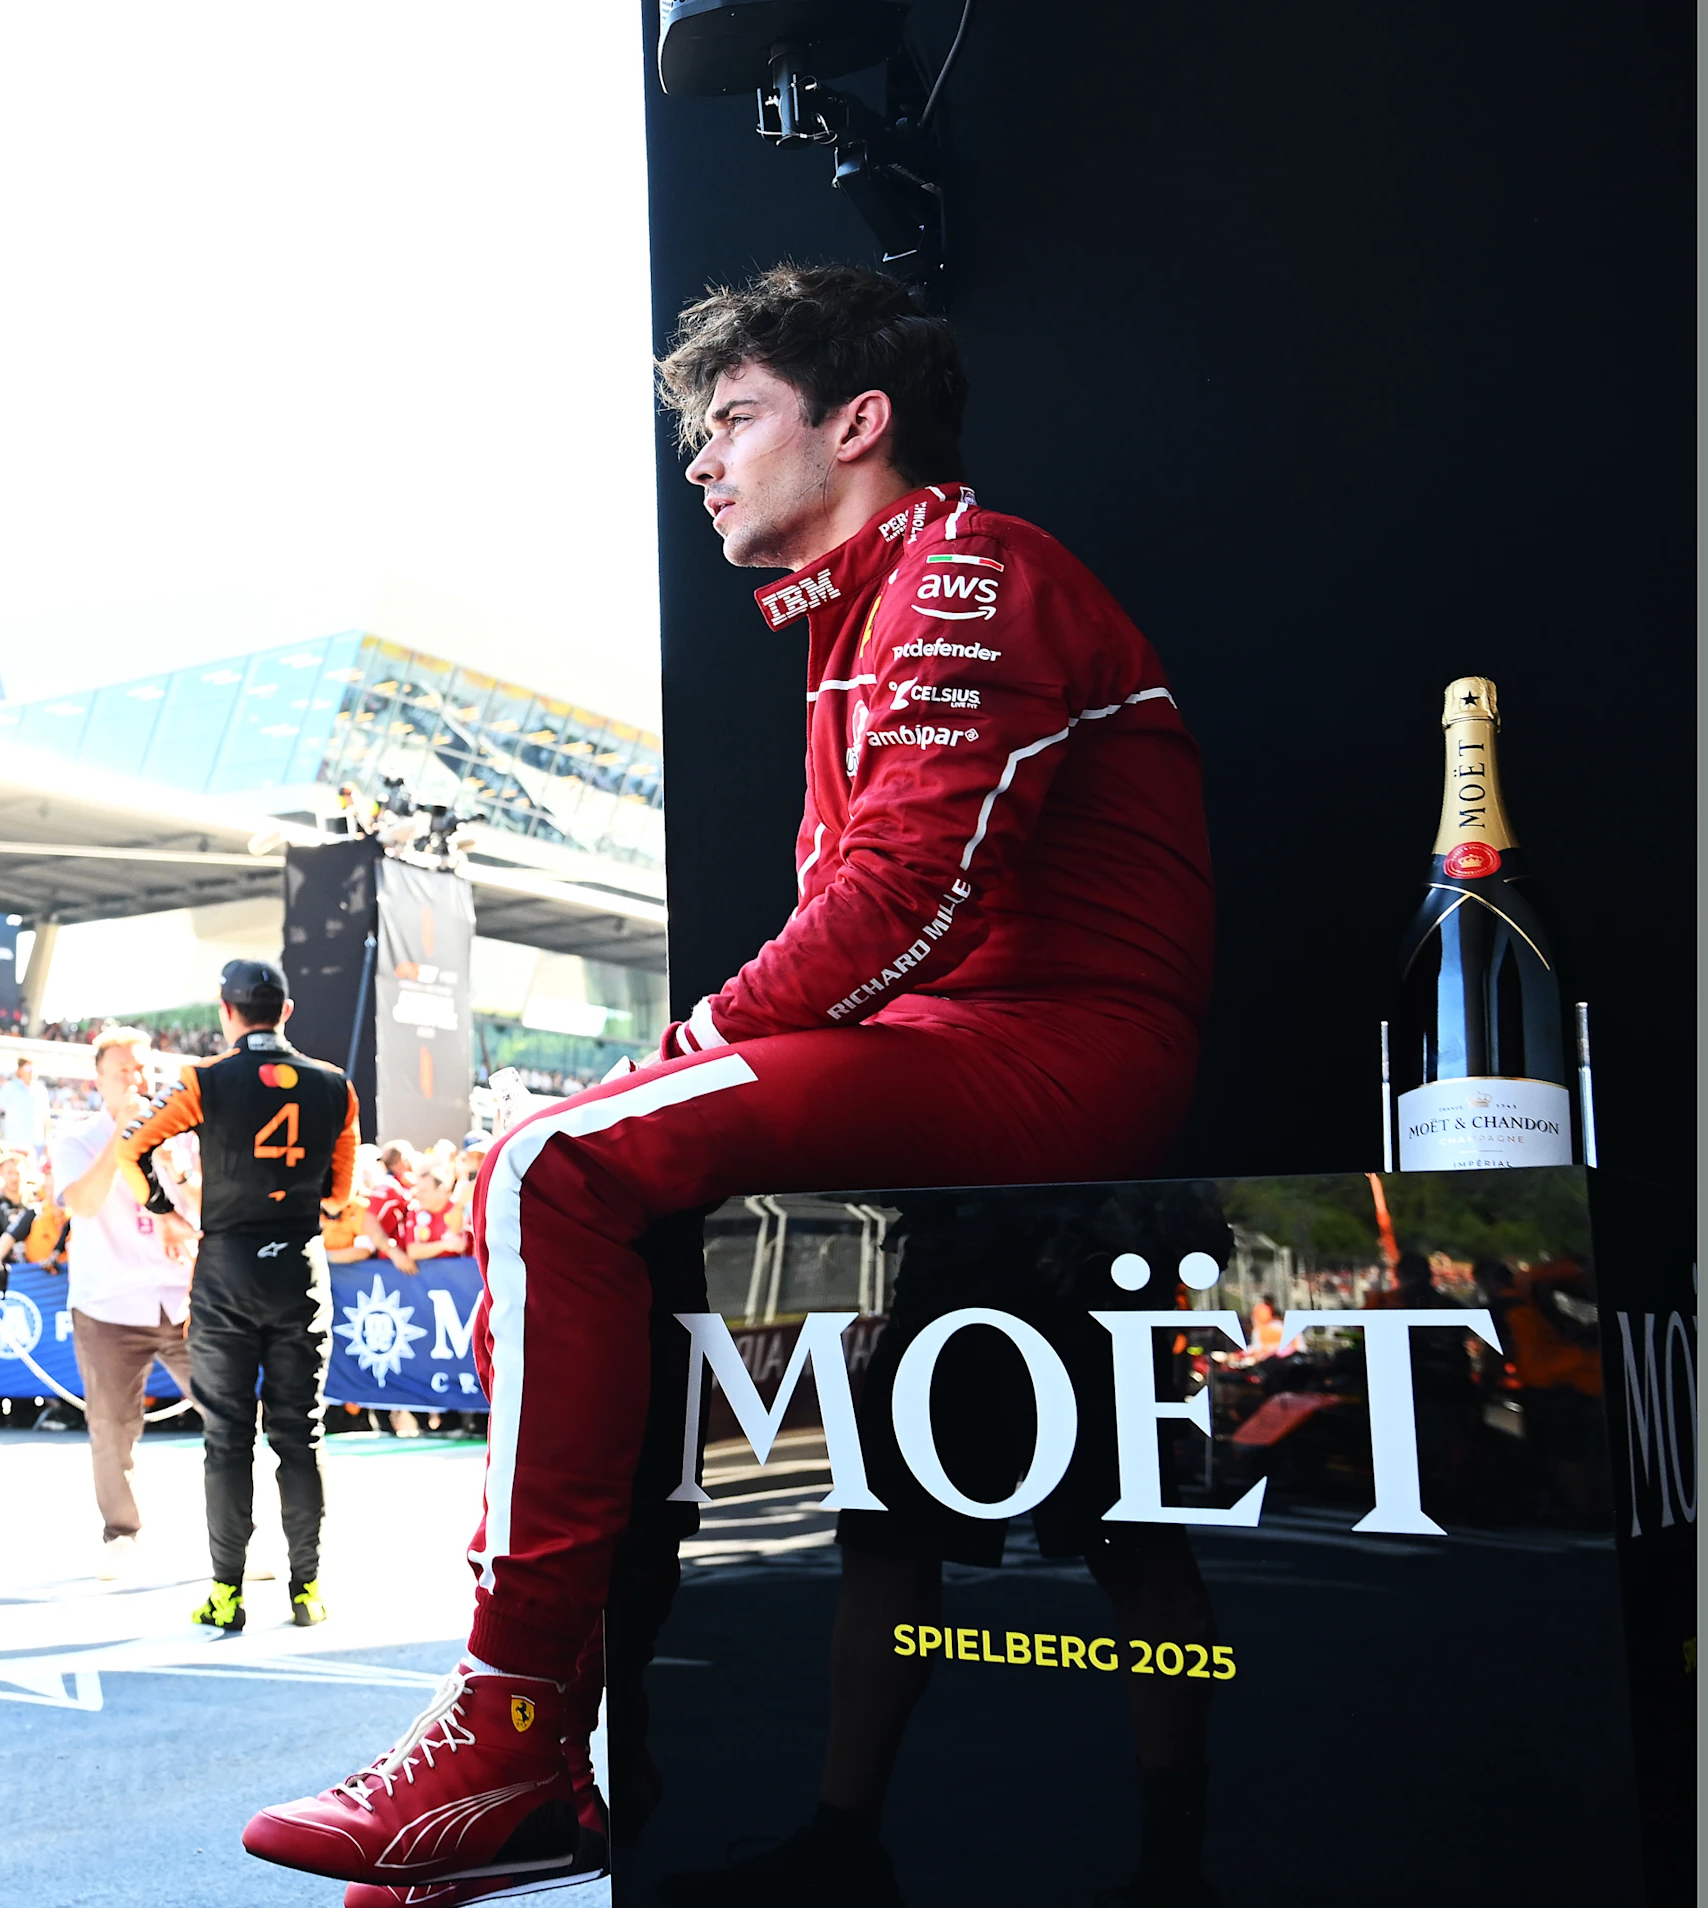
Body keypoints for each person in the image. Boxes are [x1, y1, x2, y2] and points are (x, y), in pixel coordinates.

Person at [242, 264, 1214, 1908]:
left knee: (557, 1162)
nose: (701, 460)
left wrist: (695, 1040)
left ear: (858, 423)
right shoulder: (864, 608)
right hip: (959, 1056)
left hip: (1050, 1055)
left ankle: (509, 1729)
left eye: (734, 417)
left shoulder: (967, 568)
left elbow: (909, 894)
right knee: (826, 1412)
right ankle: (638, 1775)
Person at [110, 959, 354, 1638]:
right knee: (300, 1433)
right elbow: (340, 1195)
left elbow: (133, 1149)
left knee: (227, 1439)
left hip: (226, 1269)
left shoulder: (204, 1081)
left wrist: (162, 1203)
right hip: (299, 1269)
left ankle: (226, 1593)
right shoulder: (336, 1086)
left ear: (226, 1011)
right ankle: (307, 1590)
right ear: (287, 1010)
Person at [52, 1025, 200, 1577]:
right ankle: (122, 1533)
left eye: (142, 1069)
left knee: (228, 1410)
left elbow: (202, 1204)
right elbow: (84, 1206)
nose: (137, 1080)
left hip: (181, 1297)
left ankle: (240, 1532)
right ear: (99, 1080)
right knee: (112, 1426)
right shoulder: (76, 1139)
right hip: (109, 1303)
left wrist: (171, 1162)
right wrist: (124, 1134)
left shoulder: (180, 1134)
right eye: (123, 1072)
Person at [0, 1055, 48, 1156]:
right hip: (15, 1143)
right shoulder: (10, 1088)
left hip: (36, 1144)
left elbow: (46, 1117)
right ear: (19, 1070)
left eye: (33, 1068)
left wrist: (47, 1140)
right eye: (28, 1068)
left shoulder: (41, 1090)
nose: (31, 1071)